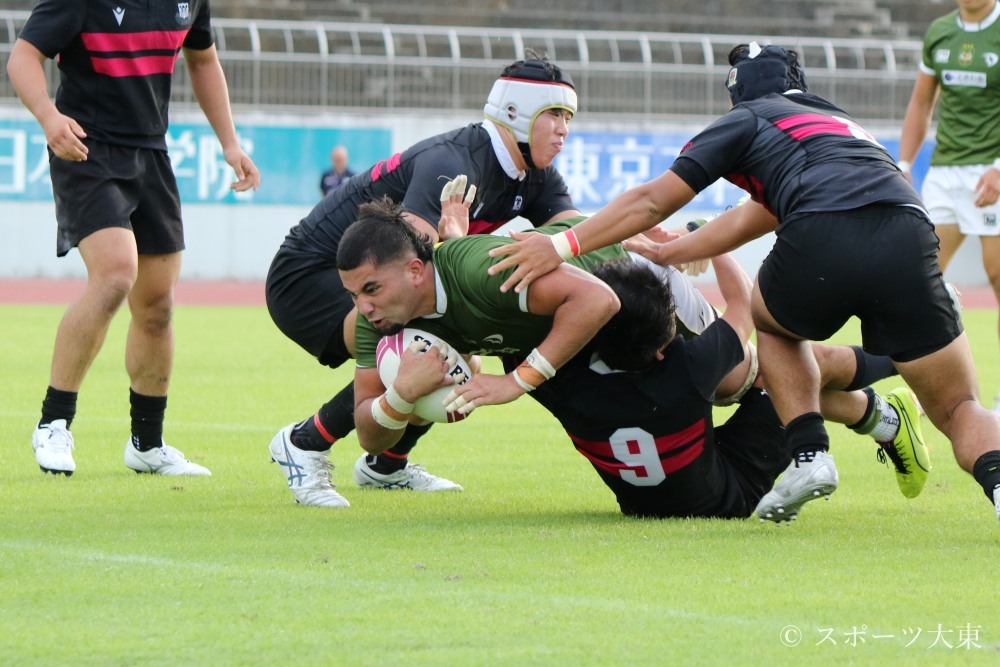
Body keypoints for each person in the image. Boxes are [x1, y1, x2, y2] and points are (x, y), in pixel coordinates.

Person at [488, 42, 1000, 523]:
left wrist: (559, 245)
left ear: (738, 95)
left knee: (769, 325)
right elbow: (753, 216)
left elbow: (651, 201)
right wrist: (670, 251)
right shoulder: (840, 123)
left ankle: (809, 453)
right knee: (959, 407)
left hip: (821, 229)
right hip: (909, 231)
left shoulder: (747, 118)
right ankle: (994, 480)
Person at [266, 50, 581, 506]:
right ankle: (303, 443)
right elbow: (409, 269)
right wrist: (454, 238)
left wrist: (650, 238)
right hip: (309, 277)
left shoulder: (533, 174)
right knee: (436, 331)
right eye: (554, 113)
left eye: (568, 116)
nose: (563, 128)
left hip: (375, 276)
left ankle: (386, 466)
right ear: (516, 111)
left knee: (452, 338)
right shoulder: (453, 160)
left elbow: (577, 231)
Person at [8, 0, 260, 477]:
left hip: (152, 153)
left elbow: (203, 58)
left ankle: (147, 443)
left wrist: (230, 143)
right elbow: (22, 57)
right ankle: (53, 423)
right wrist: (48, 117)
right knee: (116, 275)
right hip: (86, 148)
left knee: (157, 304)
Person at [526, 252, 921, 519]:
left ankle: (886, 415)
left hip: (653, 498)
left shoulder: (558, 382)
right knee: (782, 366)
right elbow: (744, 302)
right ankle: (909, 359)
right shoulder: (688, 367)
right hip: (734, 491)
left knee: (779, 372)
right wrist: (713, 239)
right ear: (662, 350)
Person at [898, 0, 1000, 416]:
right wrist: (903, 164)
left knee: (998, 277)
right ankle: (928, 391)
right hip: (944, 174)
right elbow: (922, 102)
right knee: (917, 282)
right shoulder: (940, 30)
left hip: (991, 170)